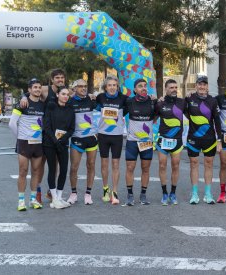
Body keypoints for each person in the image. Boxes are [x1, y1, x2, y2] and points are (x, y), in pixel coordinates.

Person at [20, 69, 67, 203]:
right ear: (52, 79)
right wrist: (24, 96)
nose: (60, 80)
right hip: (45, 132)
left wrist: (92, 96)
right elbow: (31, 91)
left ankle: (50, 192)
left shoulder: (65, 91)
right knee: (41, 163)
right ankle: (38, 191)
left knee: (56, 164)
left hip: (58, 132)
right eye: (57, 78)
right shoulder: (45, 90)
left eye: (62, 78)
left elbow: (79, 95)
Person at [8, 78, 45, 211]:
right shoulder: (22, 104)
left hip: (38, 143)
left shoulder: (43, 105)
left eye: (39, 87)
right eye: (35, 87)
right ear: (29, 90)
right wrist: (19, 137)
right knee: (23, 171)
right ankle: (21, 201)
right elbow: (12, 123)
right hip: (24, 143)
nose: (37, 89)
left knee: (36, 171)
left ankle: (33, 199)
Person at [185, 76, 222, 204]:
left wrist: (219, 140)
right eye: (200, 84)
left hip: (209, 138)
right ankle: (194, 193)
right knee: (194, 163)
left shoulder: (213, 101)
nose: (202, 87)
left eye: (204, 85)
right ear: (196, 86)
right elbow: (182, 110)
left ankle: (208, 193)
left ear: (207, 87)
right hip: (193, 137)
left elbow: (217, 120)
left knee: (209, 164)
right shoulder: (189, 98)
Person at [124, 78, 158, 206]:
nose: (143, 88)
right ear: (134, 90)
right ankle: (130, 195)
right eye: (140, 86)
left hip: (147, 142)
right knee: (130, 168)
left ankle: (143, 195)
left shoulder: (153, 101)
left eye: (145, 86)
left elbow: (158, 114)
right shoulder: (129, 101)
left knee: (145, 168)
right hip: (132, 141)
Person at [96, 76, 128, 205]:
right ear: (105, 87)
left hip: (117, 135)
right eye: (110, 85)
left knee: (115, 164)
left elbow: (136, 102)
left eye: (114, 85)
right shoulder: (100, 98)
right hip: (103, 135)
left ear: (117, 87)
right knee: (104, 164)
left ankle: (114, 191)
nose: (112, 87)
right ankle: (105, 189)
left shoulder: (123, 99)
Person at [66, 79, 98, 205]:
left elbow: (107, 106)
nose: (84, 88)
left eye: (85, 86)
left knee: (91, 165)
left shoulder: (91, 100)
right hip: (77, 138)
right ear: (74, 88)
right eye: (80, 86)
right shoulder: (70, 101)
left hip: (91, 138)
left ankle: (88, 194)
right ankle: (73, 193)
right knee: (74, 167)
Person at [43, 87, 75, 209]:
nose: (66, 96)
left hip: (63, 143)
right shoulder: (51, 107)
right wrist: (55, 140)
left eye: (67, 94)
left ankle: (60, 197)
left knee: (64, 170)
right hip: (50, 143)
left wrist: (62, 139)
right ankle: (54, 198)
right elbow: (47, 126)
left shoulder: (70, 110)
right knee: (52, 169)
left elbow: (72, 129)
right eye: (63, 94)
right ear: (57, 95)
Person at [155, 79, 185, 206]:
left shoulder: (183, 102)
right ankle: (164, 193)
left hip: (177, 140)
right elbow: (152, 117)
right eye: (171, 87)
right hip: (163, 139)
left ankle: (173, 193)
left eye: (175, 87)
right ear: (166, 89)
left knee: (175, 166)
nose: (174, 89)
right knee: (162, 165)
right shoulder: (160, 103)